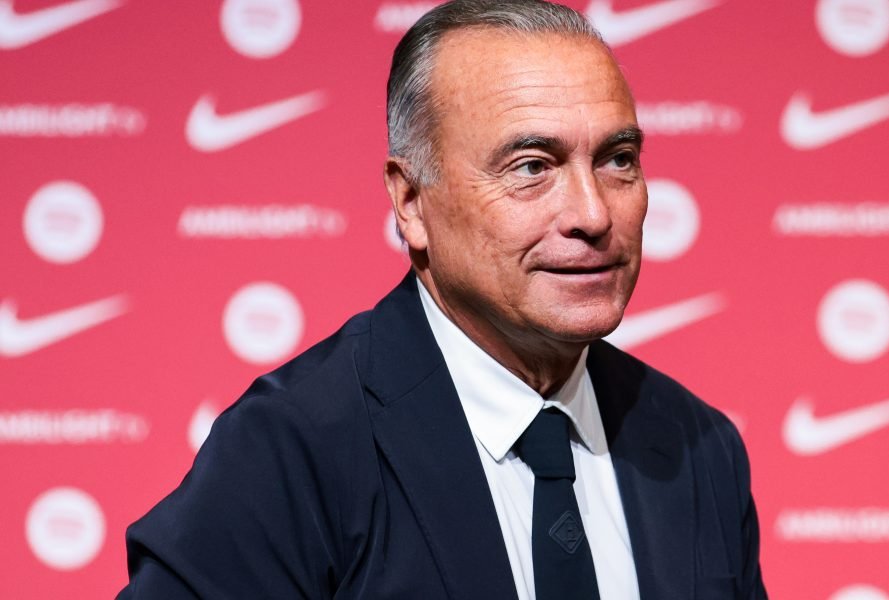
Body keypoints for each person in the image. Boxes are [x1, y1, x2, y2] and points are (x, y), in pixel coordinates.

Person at [118, 1, 766, 598]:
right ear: (411, 202)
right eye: (533, 167)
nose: (593, 214)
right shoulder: (290, 449)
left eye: (617, 159)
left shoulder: (699, 446)